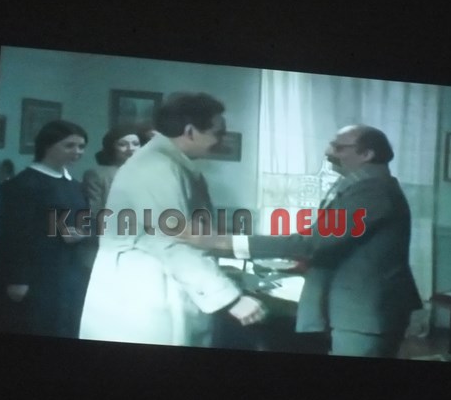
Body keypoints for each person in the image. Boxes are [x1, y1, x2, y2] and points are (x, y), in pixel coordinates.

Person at [180, 125, 423, 358]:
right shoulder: (364, 186)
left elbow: (313, 241)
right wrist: (307, 263)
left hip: (365, 313)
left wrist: (225, 242)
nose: (328, 152)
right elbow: (341, 243)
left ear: (366, 154)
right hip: (359, 309)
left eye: (338, 147)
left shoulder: (373, 190)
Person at [79, 92, 265, 346]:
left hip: (159, 286)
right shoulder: (155, 168)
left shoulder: (171, 163)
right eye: (218, 133)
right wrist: (230, 299)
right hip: (144, 295)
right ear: (190, 131)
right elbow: (172, 241)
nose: (221, 141)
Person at [0, 120, 89, 338]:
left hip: (67, 272)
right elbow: (12, 236)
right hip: (34, 274)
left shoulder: (74, 184)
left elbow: (85, 221)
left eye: (81, 146)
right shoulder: (23, 185)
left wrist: (81, 232)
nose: (77, 152)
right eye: (69, 145)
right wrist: (17, 279)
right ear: (47, 146)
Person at [78, 124, 142, 271]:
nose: (130, 149)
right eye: (123, 144)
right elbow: (95, 212)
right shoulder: (98, 174)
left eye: (135, 144)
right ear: (112, 147)